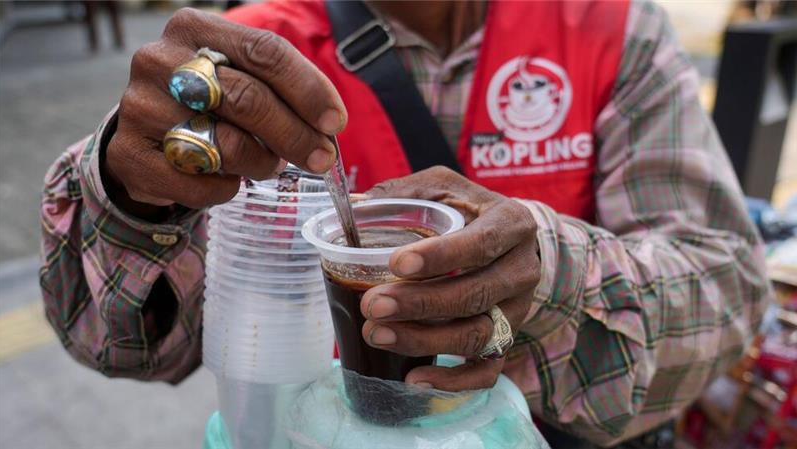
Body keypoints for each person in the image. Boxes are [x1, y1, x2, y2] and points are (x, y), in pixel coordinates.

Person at [40, 0, 772, 446]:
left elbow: (731, 291)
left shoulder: (615, 31)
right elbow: (126, 347)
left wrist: (552, 278)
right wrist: (131, 188)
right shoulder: (245, 66)